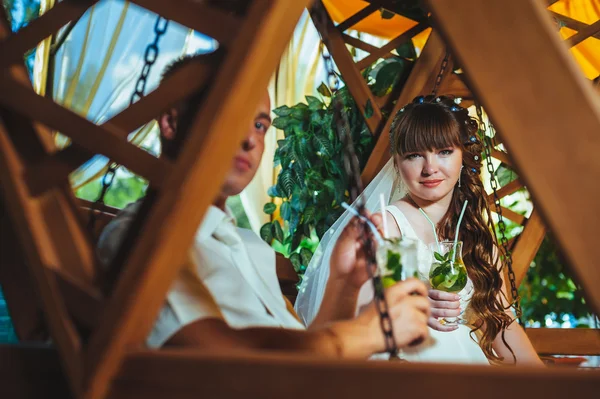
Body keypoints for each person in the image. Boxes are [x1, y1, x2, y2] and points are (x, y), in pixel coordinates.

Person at [97, 53, 430, 358]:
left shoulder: (250, 246)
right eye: (231, 113)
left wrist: (344, 282)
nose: (251, 139)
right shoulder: (139, 239)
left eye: (259, 125)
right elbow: (223, 361)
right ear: (171, 123)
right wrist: (370, 331)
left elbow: (302, 365)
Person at [296, 95, 543, 366]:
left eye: (444, 152)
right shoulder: (385, 229)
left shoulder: (480, 243)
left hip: (469, 370)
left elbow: (506, 330)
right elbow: (354, 322)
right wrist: (409, 308)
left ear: (464, 156)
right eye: (415, 155)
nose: (430, 168)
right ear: (397, 163)